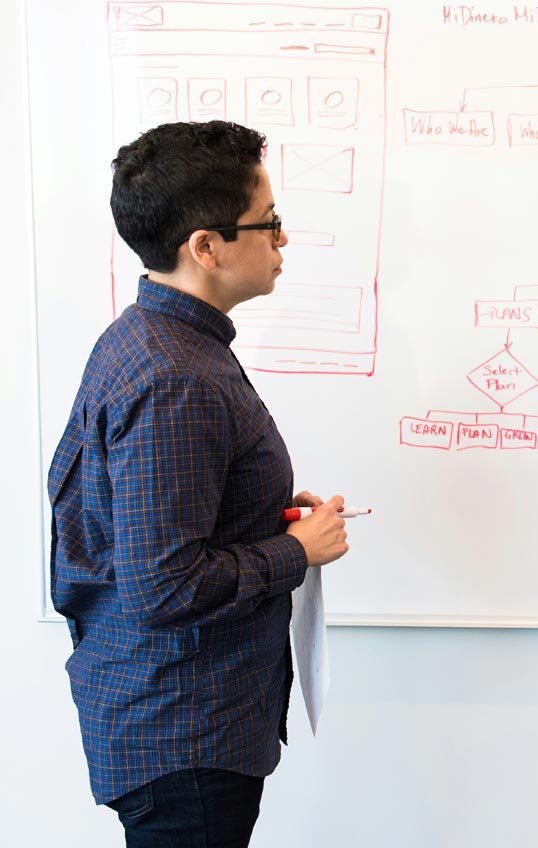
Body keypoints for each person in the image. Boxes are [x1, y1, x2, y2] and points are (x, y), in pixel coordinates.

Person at [47, 120, 351, 847]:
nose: (283, 241)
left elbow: (162, 529)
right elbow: (165, 585)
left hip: (180, 726)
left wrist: (268, 519)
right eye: (269, 224)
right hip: (183, 739)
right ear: (206, 248)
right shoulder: (174, 377)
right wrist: (297, 552)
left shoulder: (162, 341)